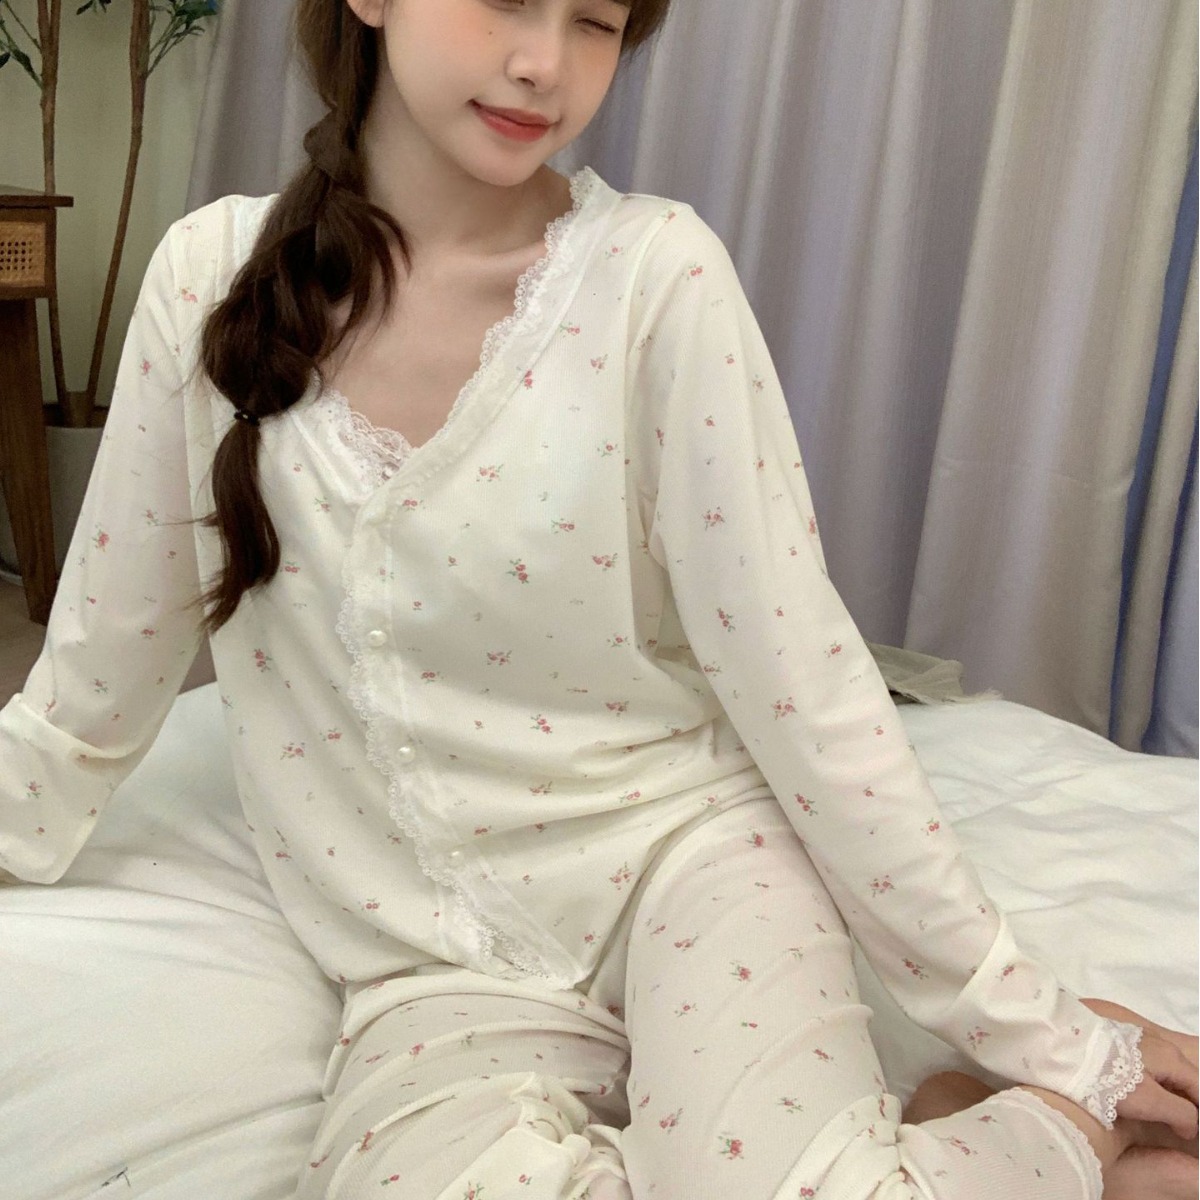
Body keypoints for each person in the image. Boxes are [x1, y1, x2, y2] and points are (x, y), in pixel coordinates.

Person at [0, 1, 1196, 1196]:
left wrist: (1045, 1036)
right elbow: (95, 678)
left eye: (596, 21)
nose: (546, 66)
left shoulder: (654, 278)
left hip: (687, 857)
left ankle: (1048, 1128)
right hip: (433, 962)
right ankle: (960, 1142)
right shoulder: (207, 278)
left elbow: (804, 682)